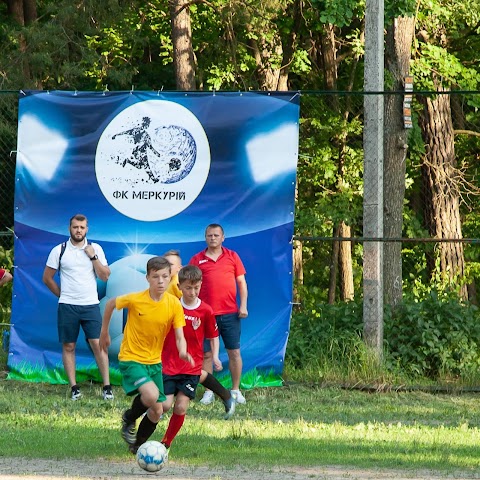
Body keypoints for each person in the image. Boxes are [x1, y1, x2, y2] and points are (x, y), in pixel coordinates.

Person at [99, 256, 194, 455]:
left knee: (158, 410)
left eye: (165, 276)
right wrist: (104, 332)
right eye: (156, 277)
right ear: (148, 278)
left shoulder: (174, 304)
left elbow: (179, 335)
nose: (160, 281)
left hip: (154, 362)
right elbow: (110, 305)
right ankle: (128, 417)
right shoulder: (136, 299)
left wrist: (183, 351)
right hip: (131, 358)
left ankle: (137, 445)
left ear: (170, 279)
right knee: (151, 396)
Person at [161, 265, 235, 450]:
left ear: (201, 285)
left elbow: (213, 335)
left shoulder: (206, 311)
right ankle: (225, 395)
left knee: (180, 406)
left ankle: (165, 444)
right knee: (164, 405)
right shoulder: (172, 306)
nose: (192, 292)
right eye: (188, 288)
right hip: (169, 364)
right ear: (179, 287)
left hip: (191, 366)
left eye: (196, 288)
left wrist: (216, 356)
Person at [42, 214, 113, 401]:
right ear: (69, 228)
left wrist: (93, 257)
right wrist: (62, 295)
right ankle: (74, 388)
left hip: (90, 305)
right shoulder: (59, 250)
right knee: (69, 345)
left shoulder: (95, 248)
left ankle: (107, 387)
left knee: (98, 345)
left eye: (82, 227)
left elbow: (105, 276)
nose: (78, 230)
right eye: (75, 227)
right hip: (68, 306)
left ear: (87, 229)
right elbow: (47, 278)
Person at [189, 223, 248, 405]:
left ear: (223, 237)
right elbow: (189, 285)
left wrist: (243, 306)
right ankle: (209, 392)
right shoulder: (197, 259)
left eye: (216, 235)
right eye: (209, 235)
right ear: (205, 238)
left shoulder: (232, 256)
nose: (212, 238)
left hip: (230, 313)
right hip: (205, 315)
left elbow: (241, 283)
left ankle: (236, 390)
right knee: (206, 355)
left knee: (234, 352)